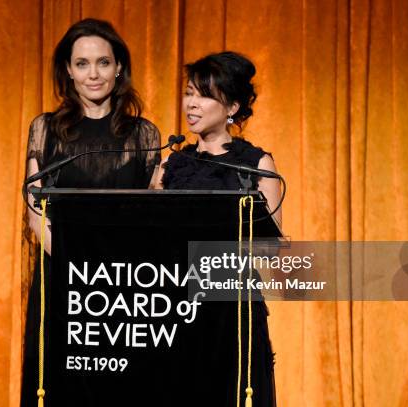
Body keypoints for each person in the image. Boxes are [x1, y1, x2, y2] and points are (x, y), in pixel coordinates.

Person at [21, 18, 161, 405]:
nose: (93, 74)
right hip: (63, 276)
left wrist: (114, 271)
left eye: (103, 62)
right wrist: (78, 264)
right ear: (68, 70)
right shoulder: (46, 129)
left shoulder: (144, 134)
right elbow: (36, 210)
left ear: (119, 68)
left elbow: (152, 212)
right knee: (62, 383)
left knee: (124, 388)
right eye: (82, 64)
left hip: (126, 284)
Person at [154, 51, 279, 406]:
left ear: (232, 107)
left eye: (204, 95)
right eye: (190, 92)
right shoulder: (170, 164)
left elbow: (271, 247)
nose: (192, 104)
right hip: (175, 309)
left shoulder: (255, 164)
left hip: (231, 309)